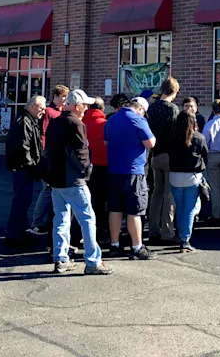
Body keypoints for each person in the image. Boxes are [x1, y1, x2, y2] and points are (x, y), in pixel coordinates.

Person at [45, 89, 112, 275]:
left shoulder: (55, 122)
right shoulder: (76, 124)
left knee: (61, 219)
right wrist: (86, 171)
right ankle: (92, 261)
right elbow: (80, 152)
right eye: (85, 105)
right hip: (73, 179)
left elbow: (48, 150)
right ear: (78, 106)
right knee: (87, 218)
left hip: (56, 179)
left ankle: (61, 258)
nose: (87, 108)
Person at [104, 96, 155, 259]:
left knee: (115, 209)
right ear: (141, 108)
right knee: (134, 210)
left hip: (113, 170)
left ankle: (114, 244)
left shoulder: (112, 119)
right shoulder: (139, 120)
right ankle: (137, 246)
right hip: (133, 171)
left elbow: (106, 142)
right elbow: (150, 143)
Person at [5, 95, 46, 248]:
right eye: (41, 108)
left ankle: (19, 233)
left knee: (23, 202)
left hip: (24, 168)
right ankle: (14, 235)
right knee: (20, 202)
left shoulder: (29, 120)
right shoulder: (23, 121)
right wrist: (33, 166)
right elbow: (23, 147)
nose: (43, 111)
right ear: (32, 106)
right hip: (22, 169)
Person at [29, 85, 69, 235]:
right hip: (49, 156)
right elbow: (43, 133)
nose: (65, 100)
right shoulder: (49, 112)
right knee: (46, 189)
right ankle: (36, 222)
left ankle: (46, 220)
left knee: (53, 191)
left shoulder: (62, 112)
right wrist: (44, 154)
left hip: (58, 156)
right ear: (56, 96)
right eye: (63, 96)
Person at [146, 77, 180, 244]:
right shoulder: (173, 109)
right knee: (169, 193)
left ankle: (152, 229)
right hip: (168, 154)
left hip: (154, 153)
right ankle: (167, 232)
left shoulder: (152, 108)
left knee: (156, 192)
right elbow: (175, 132)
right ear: (174, 91)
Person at [169, 110, 209, 252]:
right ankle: (185, 240)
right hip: (192, 177)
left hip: (174, 176)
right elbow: (205, 156)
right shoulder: (199, 137)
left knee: (179, 208)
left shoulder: (172, 137)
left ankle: (179, 235)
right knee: (190, 209)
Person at [83, 96, 109, 239]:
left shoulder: (80, 123)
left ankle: (81, 233)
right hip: (104, 167)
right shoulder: (106, 124)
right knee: (101, 202)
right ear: (102, 109)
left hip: (85, 167)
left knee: (84, 203)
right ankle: (100, 232)